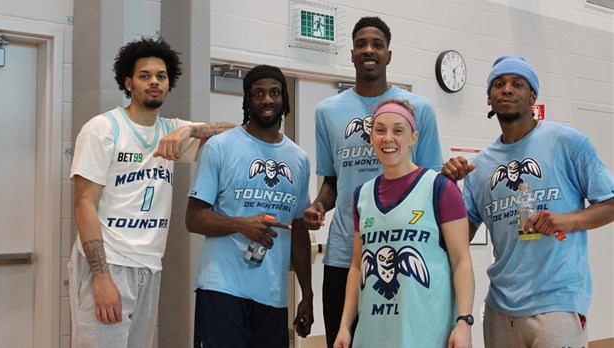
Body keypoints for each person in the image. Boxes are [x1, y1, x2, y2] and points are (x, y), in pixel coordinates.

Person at [68, 37, 232, 348]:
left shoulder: (171, 130)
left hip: (149, 267)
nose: (154, 81)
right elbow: (83, 204)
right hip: (109, 264)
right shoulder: (102, 128)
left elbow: (237, 133)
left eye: (161, 76)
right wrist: (101, 278)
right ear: (128, 83)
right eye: (145, 76)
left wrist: (192, 130)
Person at [442, 56, 614, 348]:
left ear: (532, 95)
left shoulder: (568, 142)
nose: (506, 90)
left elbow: (609, 203)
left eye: (517, 84)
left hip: (557, 302)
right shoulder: (479, 167)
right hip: (500, 307)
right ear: (489, 98)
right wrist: (447, 188)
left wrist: (566, 220)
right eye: (498, 84)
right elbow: (461, 236)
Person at [302, 16, 444, 347]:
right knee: (343, 339)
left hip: (400, 245)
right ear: (351, 53)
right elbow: (333, 181)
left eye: (377, 44)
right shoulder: (328, 112)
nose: (369, 50)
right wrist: (319, 205)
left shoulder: (418, 109)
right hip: (344, 253)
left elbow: (432, 182)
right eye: (362, 44)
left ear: (388, 55)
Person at [185, 64, 314, 348]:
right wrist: (240, 225)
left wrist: (307, 294)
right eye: (258, 93)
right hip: (222, 288)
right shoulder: (221, 146)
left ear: (284, 100)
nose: (267, 99)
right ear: (247, 100)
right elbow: (193, 218)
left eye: (274, 93)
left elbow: (299, 232)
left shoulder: (299, 159)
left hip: (272, 295)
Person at [334, 99, 474, 348]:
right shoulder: (362, 195)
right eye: (380, 130)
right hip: (373, 334)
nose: (388, 138)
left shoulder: (440, 188)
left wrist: (464, 322)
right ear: (371, 137)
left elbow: (461, 261)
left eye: (398, 130)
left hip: (426, 333)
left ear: (413, 138)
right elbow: (357, 267)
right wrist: (345, 326)